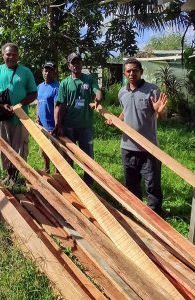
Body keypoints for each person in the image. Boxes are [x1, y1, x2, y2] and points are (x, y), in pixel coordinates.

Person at [113, 57, 167, 214]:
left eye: (135, 70)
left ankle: (155, 215)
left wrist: (160, 111)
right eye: (128, 71)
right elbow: (126, 110)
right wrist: (117, 120)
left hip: (148, 148)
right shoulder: (122, 92)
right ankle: (134, 211)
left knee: (152, 184)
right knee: (131, 183)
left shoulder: (152, 90)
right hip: (127, 147)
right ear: (124, 73)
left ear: (141, 72)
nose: (131, 73)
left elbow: (161, 117)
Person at [0, 43, 37, 184]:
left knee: (20, 146)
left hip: (20, 116)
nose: (11, 57)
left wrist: (19, 105)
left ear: (18, 56)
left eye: (14, 54)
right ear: (3, 55)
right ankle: (9, 175)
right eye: (8, 54)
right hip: (1, 115)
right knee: (4, 146)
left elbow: (33, 93)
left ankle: (15, 176)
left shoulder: (26, 72)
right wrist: (1, 105)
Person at [54, 52, 102, 184]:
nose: (76, 65)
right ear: (69, 66)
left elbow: (97, 91)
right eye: (73, 63)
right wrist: (59, 124)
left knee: (87, 157)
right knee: (68, 155)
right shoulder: (64, 83)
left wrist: (98, 96)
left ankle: (89, 183)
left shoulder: (89, 79)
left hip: (85, 126)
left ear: (82, 64)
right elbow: (61, 105)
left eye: (78, 62)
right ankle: (71, 183)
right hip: (69, 126)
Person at [36, 61, 59, 172]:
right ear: (42, 71)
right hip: (42, 125)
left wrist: (56, 124)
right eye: (45, 70)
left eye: (50, 71)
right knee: (43, 149)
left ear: (54, 72)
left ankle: (57, 172)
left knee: (55, 151)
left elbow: (57, 107)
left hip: (52, 126)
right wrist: (37, 118)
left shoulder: (56, 87)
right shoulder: (39, 87)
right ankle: (46, 168)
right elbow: (39, 103)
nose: (47, 73)